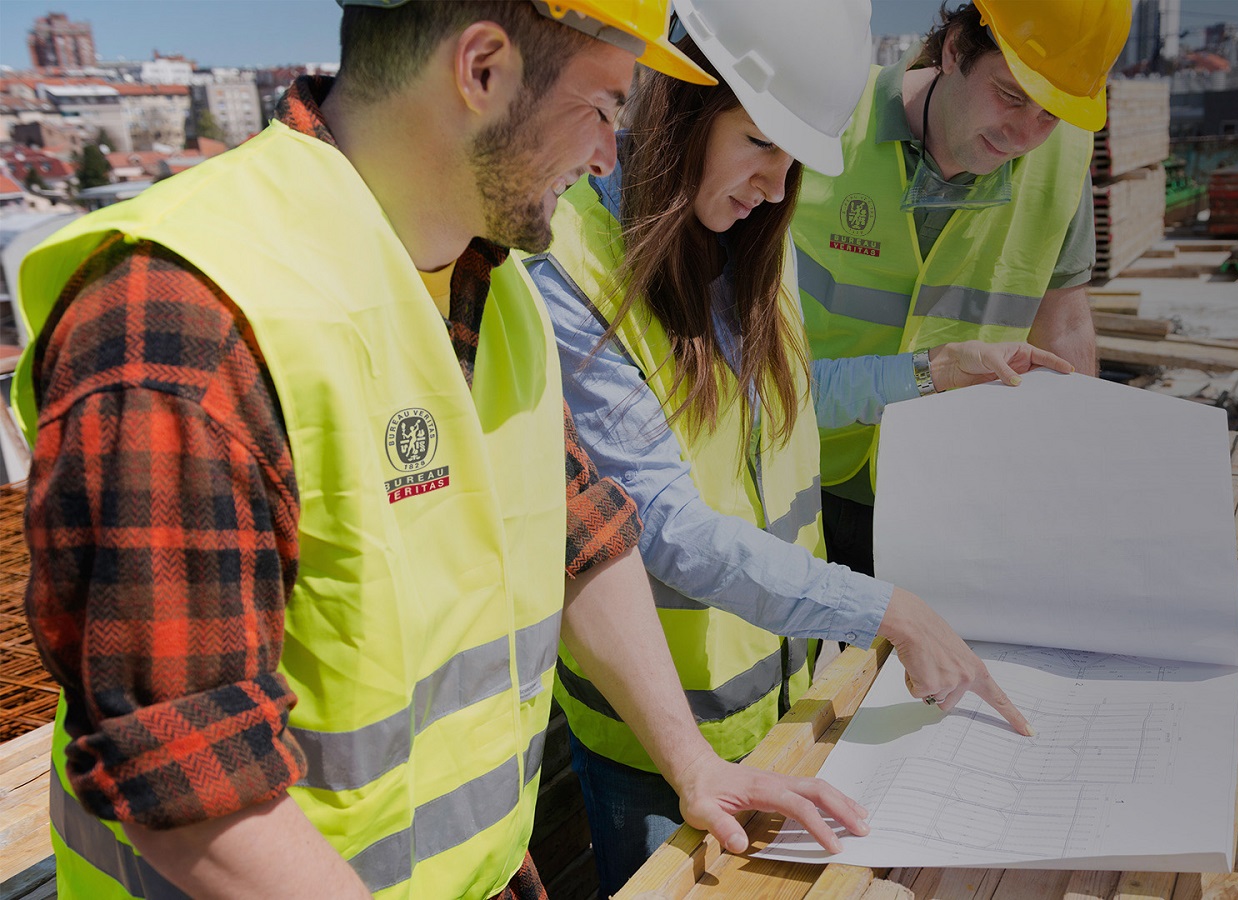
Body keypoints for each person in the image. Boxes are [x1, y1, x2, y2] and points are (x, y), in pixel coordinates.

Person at [14, 3, 867, 898]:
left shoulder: (494, 293)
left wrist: (693, 764)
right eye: (604, 108)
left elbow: (581, 536)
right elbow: (189, 777)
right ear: (484, 69)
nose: (609, 156)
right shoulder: (182, 320)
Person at [525, 1, 1073, 893]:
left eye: (792, 161)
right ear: (683, 106)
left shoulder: (740, 235)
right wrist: (886, 610)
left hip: (781, 706)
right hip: (663, 746)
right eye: (759, 145)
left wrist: (933, 371)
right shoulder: (569, 270)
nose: (775, 189)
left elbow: (785, 404)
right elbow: (661, 527)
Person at [791, 0, 1133, 576]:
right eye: (1011, 94)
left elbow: (1066, 324)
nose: (1025, 134)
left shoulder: (1063, 162)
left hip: (941, 488)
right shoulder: (831, 120)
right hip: (797, 460)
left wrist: (1077, 477)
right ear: (954, 50)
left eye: (1050, 113)